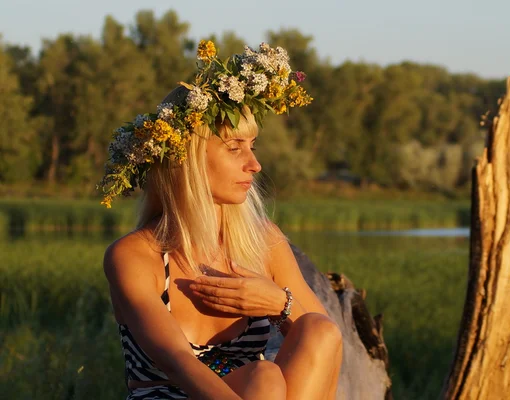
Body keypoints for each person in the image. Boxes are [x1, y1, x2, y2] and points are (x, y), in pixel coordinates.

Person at [98, 40, 343, 400]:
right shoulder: (135, 255)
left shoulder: (263, 242)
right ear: (189, 160)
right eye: (234, 148)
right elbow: (178, 362)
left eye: (252, 147)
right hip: (174, 394)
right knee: (263, 377)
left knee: (318, 331)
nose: (254, 165)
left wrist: (279, 305)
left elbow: (326, 345)